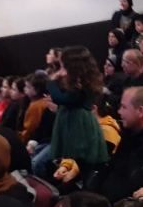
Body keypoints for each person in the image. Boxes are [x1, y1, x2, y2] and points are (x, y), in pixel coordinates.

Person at [89, 87, 143, 204]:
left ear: (140, 111)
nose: (119, 112)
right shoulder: (132, 130)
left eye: (124, 107)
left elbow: (128, 189)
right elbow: (112, 166)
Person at [46, 46, 111, 175]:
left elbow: (62, 98)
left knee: (77, 162)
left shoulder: (82, 84)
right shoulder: (80, 81)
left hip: (78, 125)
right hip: (72, 122)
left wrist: (52, 82)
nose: (62, 71)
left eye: (64, 66)